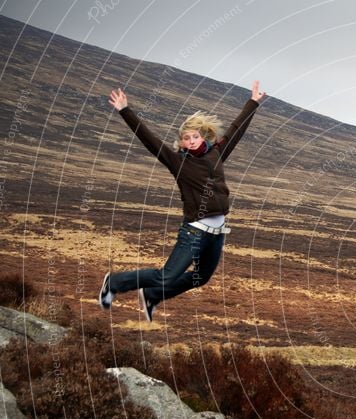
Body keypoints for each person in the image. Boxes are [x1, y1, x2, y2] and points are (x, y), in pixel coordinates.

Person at [99, 81, 268, 321]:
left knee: (201, 277)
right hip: (195, 232)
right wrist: (125, 110)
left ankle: (153, 295)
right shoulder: (178, 162)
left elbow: (236, 129)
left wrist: (253, 102)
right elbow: (150, 140)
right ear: (182, 142)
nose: (191, 141)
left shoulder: (216, 153)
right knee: (167, 275)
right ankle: (114, 282)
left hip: (217, 231)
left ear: (203, 136)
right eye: (186, 138)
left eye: (195, 136)